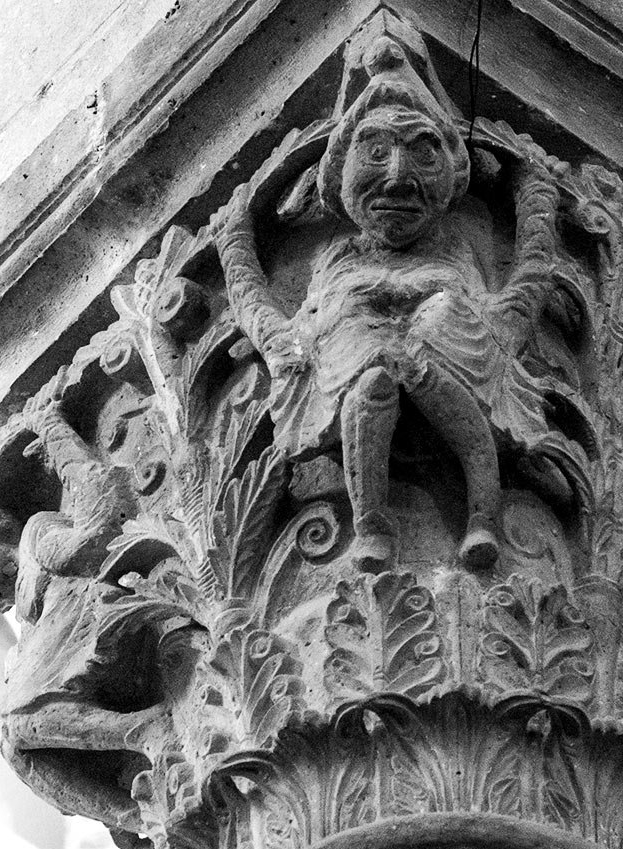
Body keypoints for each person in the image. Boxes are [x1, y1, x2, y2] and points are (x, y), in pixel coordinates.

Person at [219, 38, 578, 572]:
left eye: (424, 152)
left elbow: (527, 284)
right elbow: (267, 319)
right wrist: (235, 245)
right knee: (371, 376)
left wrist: (537, 203)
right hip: (355, 376)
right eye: (376, 153)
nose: (398, 177)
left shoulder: (457, 252)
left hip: (454, 371)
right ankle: (371, 522)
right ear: (337, 179)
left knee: (432, 341)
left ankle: (484, 508)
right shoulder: (332, 260)